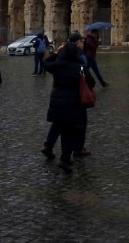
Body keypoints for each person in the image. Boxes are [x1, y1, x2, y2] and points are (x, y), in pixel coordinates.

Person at [41, 41, 96, 173]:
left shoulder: (58, 65)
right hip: (74, 104)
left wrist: (56, 53)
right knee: (73, 133)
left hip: (58, 104)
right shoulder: (81, 68)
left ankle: (63, 159)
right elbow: (91, 82)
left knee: (63, 129)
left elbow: (46, 63)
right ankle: (65, 159)